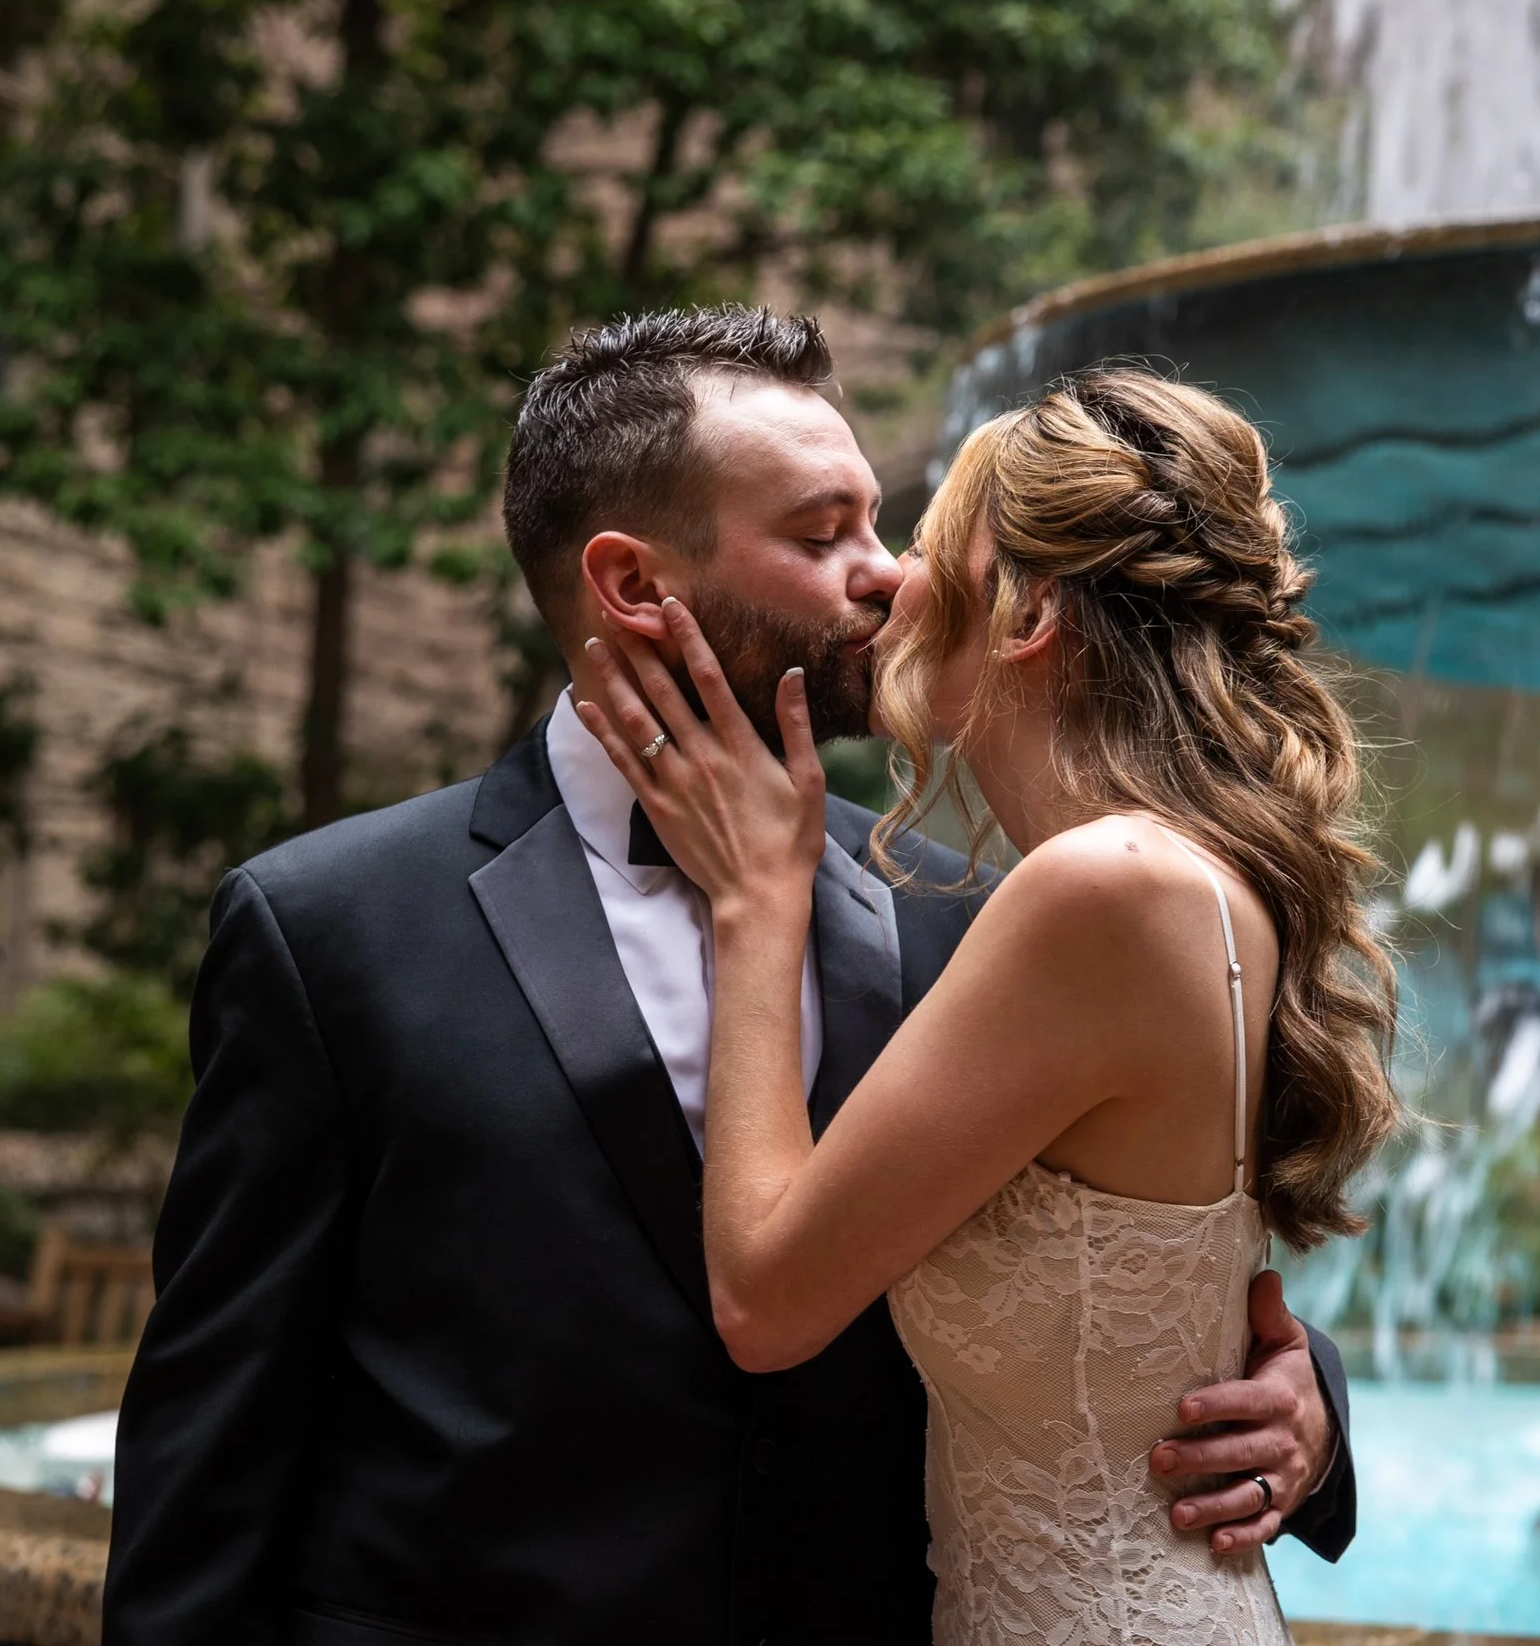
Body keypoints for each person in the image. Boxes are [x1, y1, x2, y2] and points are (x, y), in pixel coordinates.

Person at [102, 310, 1358, 1646]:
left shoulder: (980, 918)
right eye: (824, 538)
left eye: (883, 525)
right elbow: (208, 1458)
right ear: (635, 585)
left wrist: (1307, 1402)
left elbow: (1117, 1278)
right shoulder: (329, 931)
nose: (889, 577)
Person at [576, 366, 1398, 1645]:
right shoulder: (1184, 879)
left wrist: (756, 903)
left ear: (1026, 613)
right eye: (823, 532)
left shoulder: (1100, 890)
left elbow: (768, 1298)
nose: (892, 581)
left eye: (920, 542)